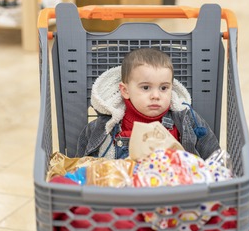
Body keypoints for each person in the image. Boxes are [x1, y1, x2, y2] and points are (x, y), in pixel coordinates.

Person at [76, 48, 220, 160]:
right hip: (124, 192)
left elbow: (212, 153)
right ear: (125, 91)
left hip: (173, 189)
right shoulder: (105, 127)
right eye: (145, 88)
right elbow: (84, 163)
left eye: (164, 88)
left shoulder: (186, 120)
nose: (156, 96)